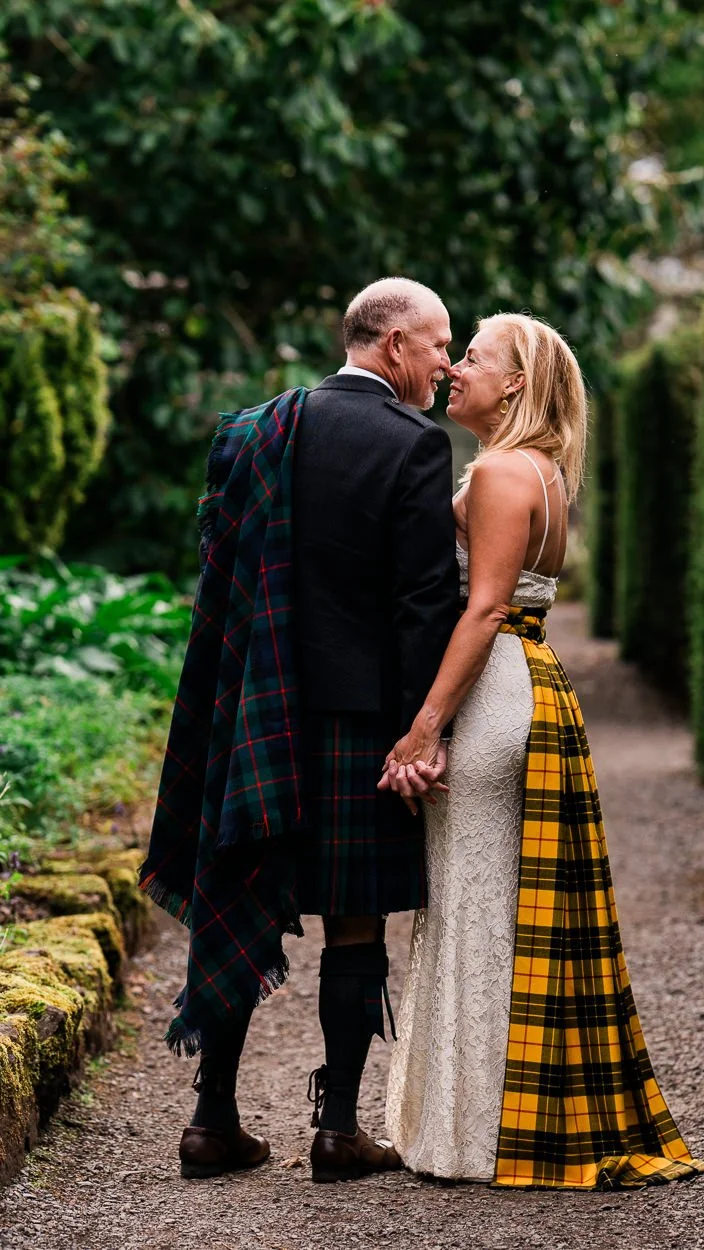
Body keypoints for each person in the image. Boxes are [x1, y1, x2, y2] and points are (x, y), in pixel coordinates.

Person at [382, 312, 704, 1189]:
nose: (456, 367)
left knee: (475, 904)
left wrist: (423, 725)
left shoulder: (497, 471)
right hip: (527, 680)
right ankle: (503, 1120)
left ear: (517, 384)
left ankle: (479, 1132)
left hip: (493, 686)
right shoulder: (542, 471)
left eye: (475, 358)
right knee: (496, 902)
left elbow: (484, 608)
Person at [139, 277, 459, 1183]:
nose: (444, 361)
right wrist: (422, 731)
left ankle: (211, 1122)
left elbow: (221, 580)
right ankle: (338, 1132)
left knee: (237, 892)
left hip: (254, 712)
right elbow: (422, 605)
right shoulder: (411, 443)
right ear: (392, 344)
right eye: (437, 343)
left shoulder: (246, 432)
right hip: (362, 724)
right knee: (354, 927)